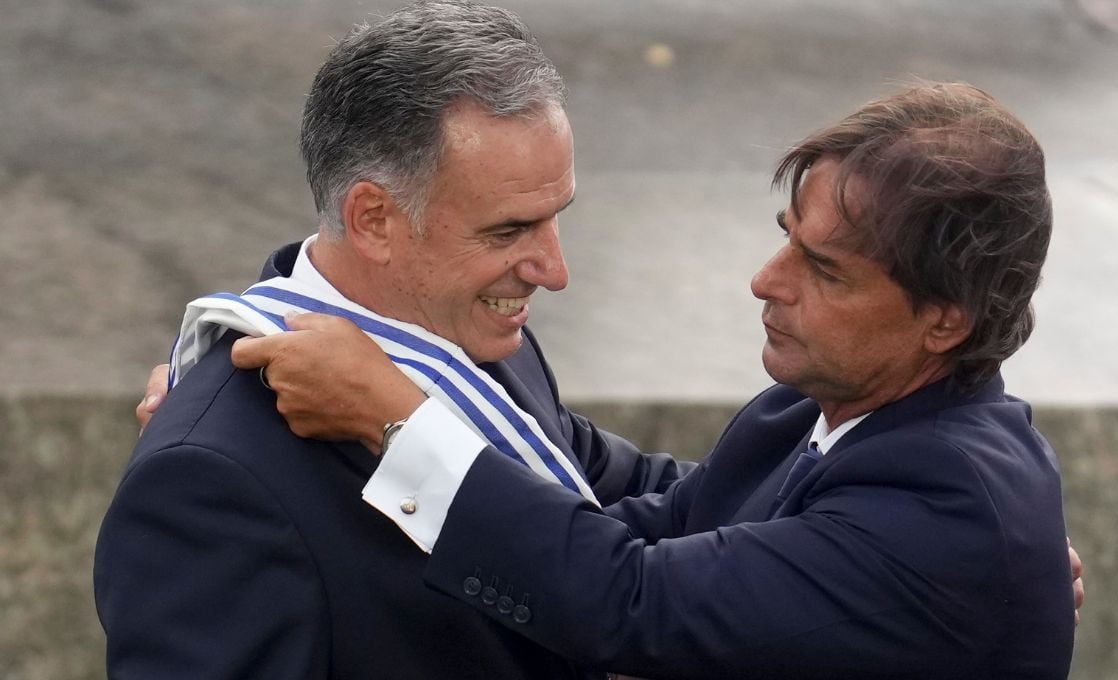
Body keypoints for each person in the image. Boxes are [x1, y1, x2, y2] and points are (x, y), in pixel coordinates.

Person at [230, 81, 1078, 678]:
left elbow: (626, 600)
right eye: (786, 235)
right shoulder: (809, 409)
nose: (767, 280)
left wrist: (396, 418)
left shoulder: (949, 514)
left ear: (946, 319)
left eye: (825, 269)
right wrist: (272, 455)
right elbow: (642, 524)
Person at [94, 3, 689, 679]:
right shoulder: (209, 480)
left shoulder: (483, 338)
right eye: (507, 231)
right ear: (374, 218)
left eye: (555, 219)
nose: (554, 271)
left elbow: (637, 500)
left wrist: (831, 477)